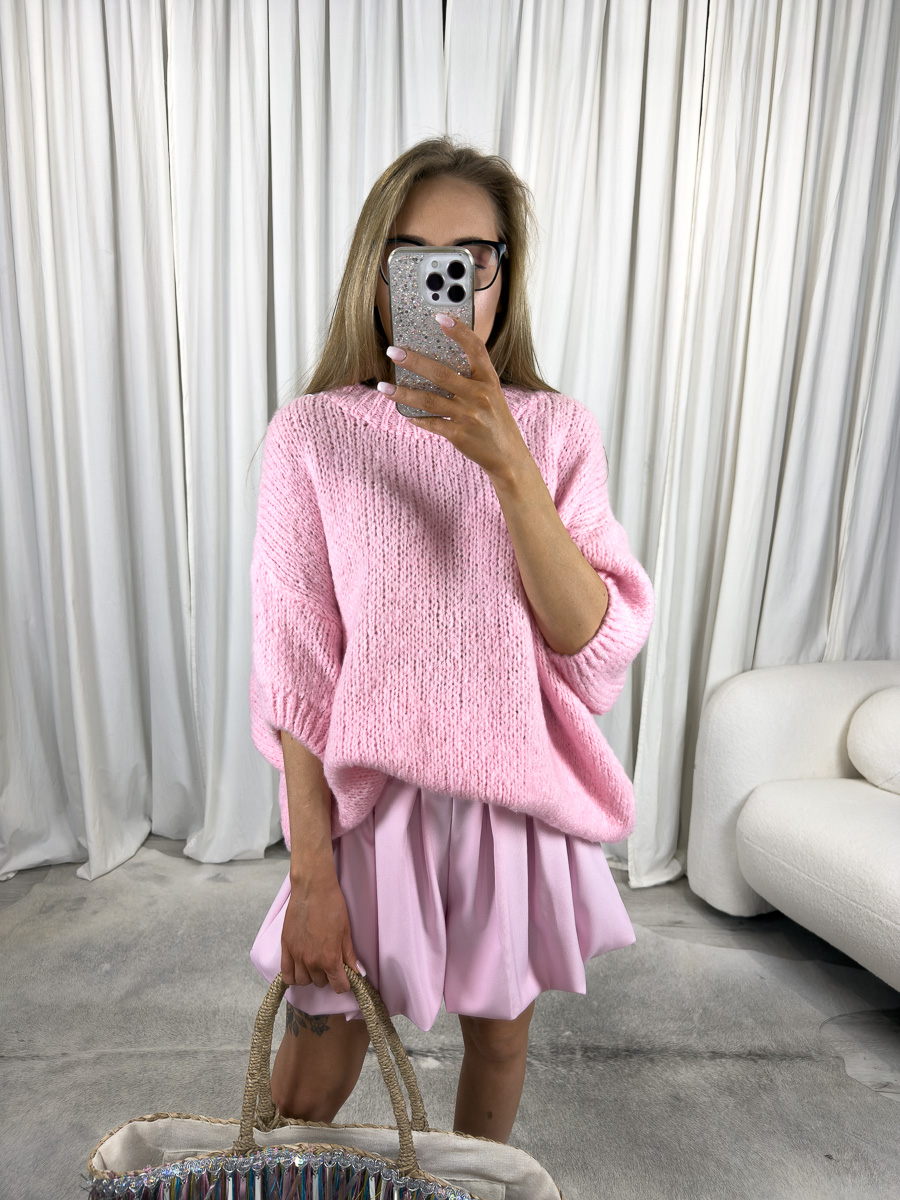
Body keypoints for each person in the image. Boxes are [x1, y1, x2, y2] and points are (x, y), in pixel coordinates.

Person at [247, 136, 655, 1146]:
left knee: (501, 1047)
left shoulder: (556, 431)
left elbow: (590, 643)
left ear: (503, 278)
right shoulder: (312, 434)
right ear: (378, 273)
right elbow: (296, 673)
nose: (449, 281)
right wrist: (310, 875)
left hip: (509, 805)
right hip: (370, 808)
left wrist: (507, 458)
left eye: (473, 258)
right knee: (312, 1076)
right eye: (417, 256)